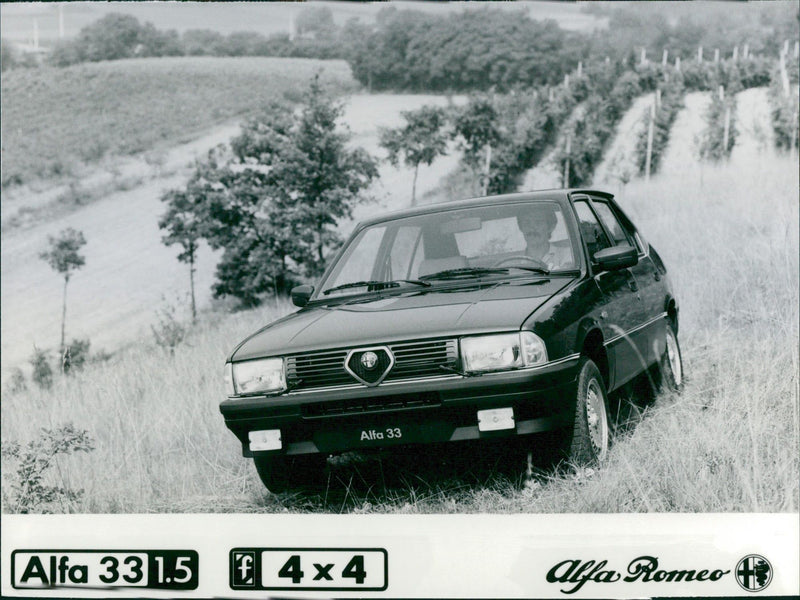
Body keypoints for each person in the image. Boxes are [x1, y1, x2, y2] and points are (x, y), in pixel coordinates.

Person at [515, 204, 572, 269]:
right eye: (527, 223)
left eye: (538, 222)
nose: (532, 228)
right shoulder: (513, 262)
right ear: (521, 227)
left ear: (551, 227)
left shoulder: (567, 255)